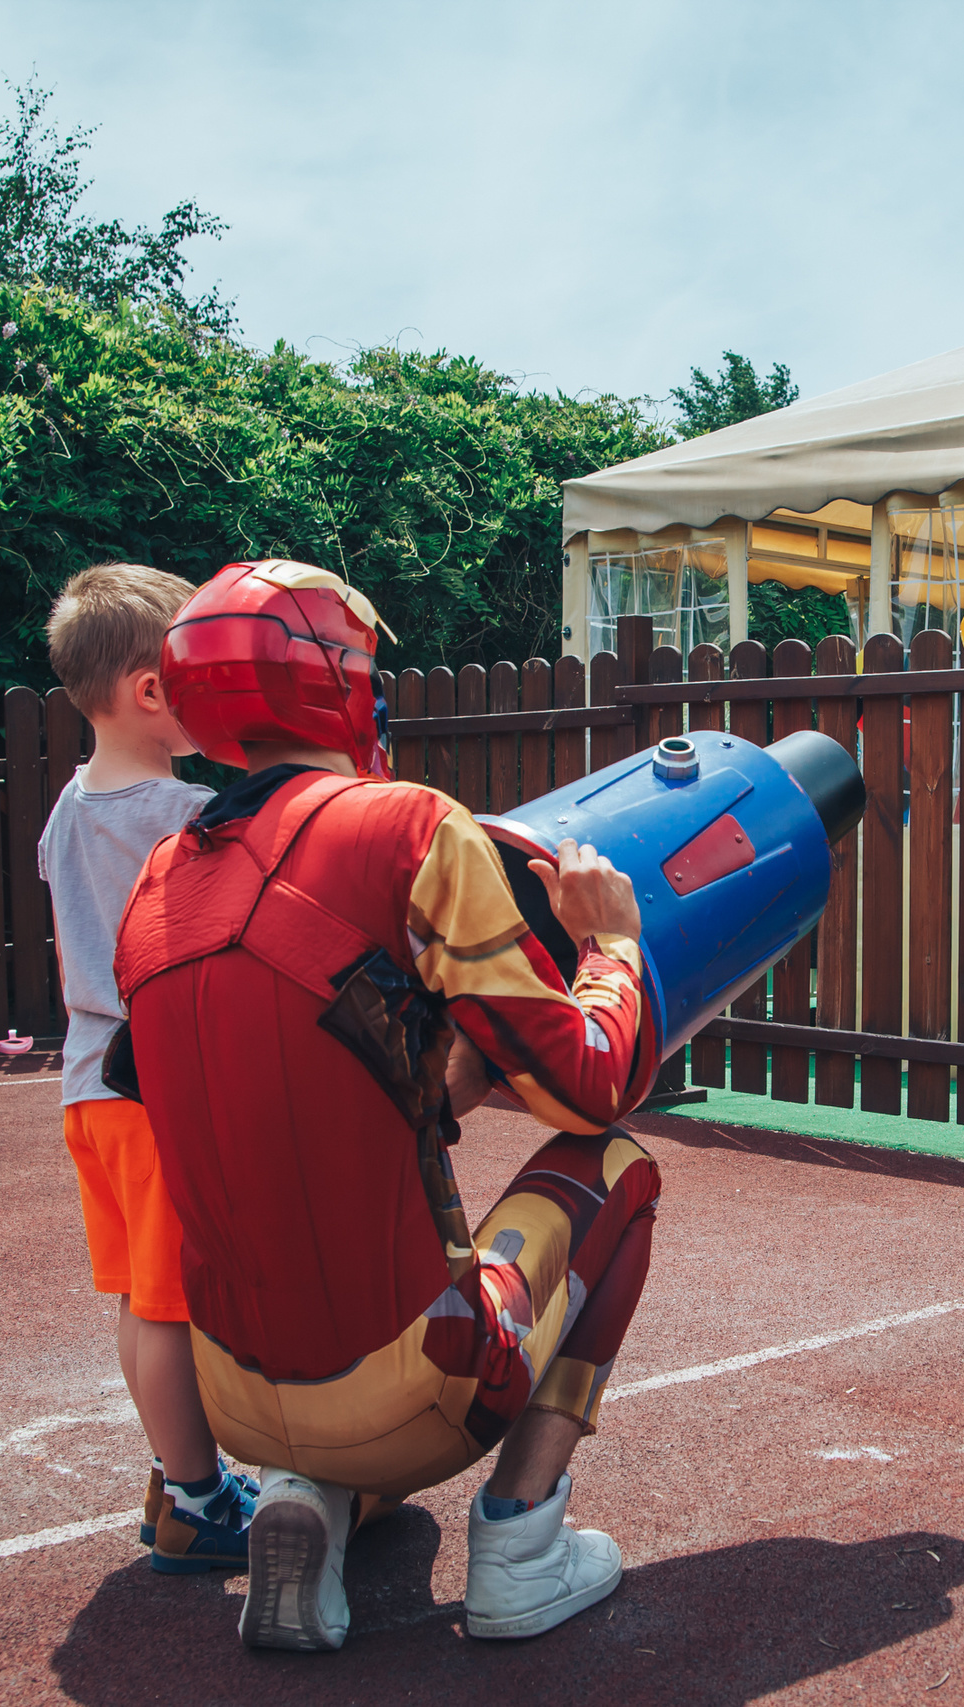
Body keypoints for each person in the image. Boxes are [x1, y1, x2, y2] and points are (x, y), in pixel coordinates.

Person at [111, 560, 661, 1652]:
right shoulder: (408, 824)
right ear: (341, 681)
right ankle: (520, 1542)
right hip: (417, 1391)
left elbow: (277, 1082)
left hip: (233, 1397)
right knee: (619, 1168)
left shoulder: (160, 875)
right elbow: (589, 1086)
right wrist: (611, 942)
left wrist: (448, 1067)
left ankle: (303, 1502)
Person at [35, 562, 259, 1570]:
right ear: (152, 690)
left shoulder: (68, 809)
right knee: (169, 1306)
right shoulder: (183, 813)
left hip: (90, 1087)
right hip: (154, 1084)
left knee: (139, 1297)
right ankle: (199, 1500)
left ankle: (176, 1477)